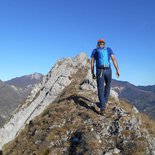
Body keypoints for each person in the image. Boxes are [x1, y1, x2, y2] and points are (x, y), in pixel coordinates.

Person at [91, 39, 120, 115]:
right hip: (108, 70)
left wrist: (92, 72)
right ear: (104, 44)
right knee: (108, 85)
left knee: (100, 88)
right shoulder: (109, 49)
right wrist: (117, 69)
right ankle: (105, 102)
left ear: (98, 44)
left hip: (100, 71)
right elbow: (113, 59)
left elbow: (92, 62)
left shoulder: (95, 50)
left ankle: (103, 107)